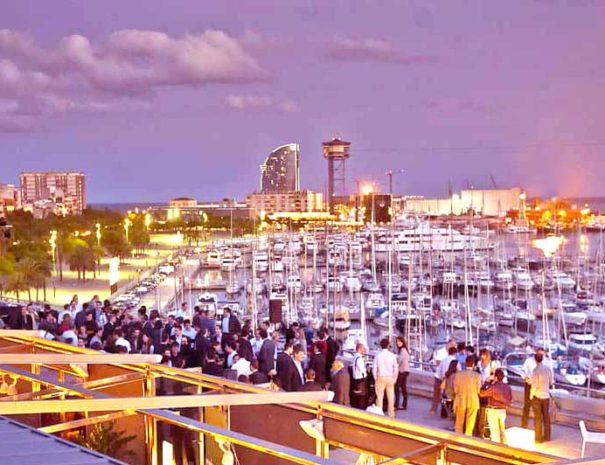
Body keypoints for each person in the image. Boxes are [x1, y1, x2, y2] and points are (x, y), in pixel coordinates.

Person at [479, 368, 512, 443]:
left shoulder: (493, 387)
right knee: (502, 430)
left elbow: (482, 393)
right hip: (503, 410)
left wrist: (486, 383)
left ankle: (496, 448)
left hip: (493, 410)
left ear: (496, 377)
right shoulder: (507, 387)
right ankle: (504, 445)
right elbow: (510, 399)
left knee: (494, 431)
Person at [453, 356, 481, 436]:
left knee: (459, 422)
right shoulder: (477, 375)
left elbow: (455, 390)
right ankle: (468, 438)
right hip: (473, 400)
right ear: (473, 365)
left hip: (460, 399)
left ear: (465, 363)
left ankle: (458, 437)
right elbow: (478, 390)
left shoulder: (458, 374)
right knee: (470, 423)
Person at [531, 351, 553, 443]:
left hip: (538, 396)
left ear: (535, 360)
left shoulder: (536, 370)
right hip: (546, 396)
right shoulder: (548, 369)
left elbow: (535, 386)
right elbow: (551, 382)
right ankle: (547, 436)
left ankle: (538, 438)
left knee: (538, 418)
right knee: (546, 417)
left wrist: (531, 396)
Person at [373, 338, 398, 418]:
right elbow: (396, 368)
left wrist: (375, 378)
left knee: (379, 396)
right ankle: (391, 413)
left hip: (380, 376)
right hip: (390, 377)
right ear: (388, 345)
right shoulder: (392, 355)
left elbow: (374, 368)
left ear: (381, 345)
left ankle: (379, 413)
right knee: (391, 396)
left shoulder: (378, 355)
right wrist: (394, 378)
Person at [431, 346, 458, 414]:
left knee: (438, 395)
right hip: (450, 380)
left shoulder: (444, 359)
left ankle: (434, 410)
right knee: (449, 396)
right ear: (455, 353)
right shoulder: (455, 361)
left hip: (440, 378)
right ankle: (449, 411)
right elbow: (458, 371)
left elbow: (439, 370)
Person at [351, 343, 368, 410]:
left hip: (355, 380)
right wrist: (366, 373)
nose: (364, 350)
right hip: (360, 380)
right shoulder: (359, 359)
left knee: (357, 397)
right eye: (363, 349)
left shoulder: (355, 357)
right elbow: (362, 370)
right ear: (360, 349)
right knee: (362, 398)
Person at [395, 337, 410, 410]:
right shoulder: (403, 350)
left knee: (397, 387)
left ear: (402, 342)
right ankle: (404, 405)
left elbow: (399, 360)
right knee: (403, 387)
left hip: (402, 371)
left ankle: (396, 405)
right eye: (397, 341)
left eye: (399, 341)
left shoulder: (403, 350)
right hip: (405, 370)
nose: (397, 343)